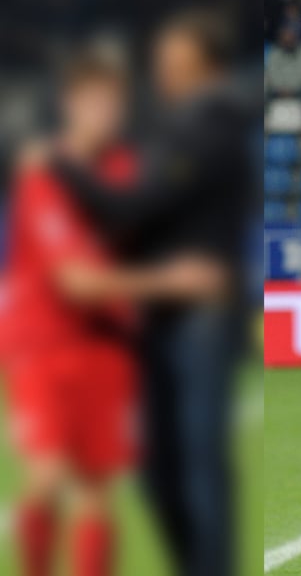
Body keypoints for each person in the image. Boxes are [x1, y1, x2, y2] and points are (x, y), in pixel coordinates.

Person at [51, 10, 255, 576]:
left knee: (194, 463)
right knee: (164, 463)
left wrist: (65, 164)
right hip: (169, 313)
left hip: (198, 319)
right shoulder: (182, 125)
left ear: (200, 63)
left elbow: (135, 206)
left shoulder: (208, 123)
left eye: (171, 57)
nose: (161, 68)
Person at [1, 47, 218, 576]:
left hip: (108, 348)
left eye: (112, 103)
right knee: (50, 477)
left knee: (97, 491)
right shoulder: (45, 176)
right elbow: (77, 283)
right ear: (71, 105)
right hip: (41, 345)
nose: (105, 114)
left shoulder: (124, 171)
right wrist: (172, 281)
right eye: (94, 102)